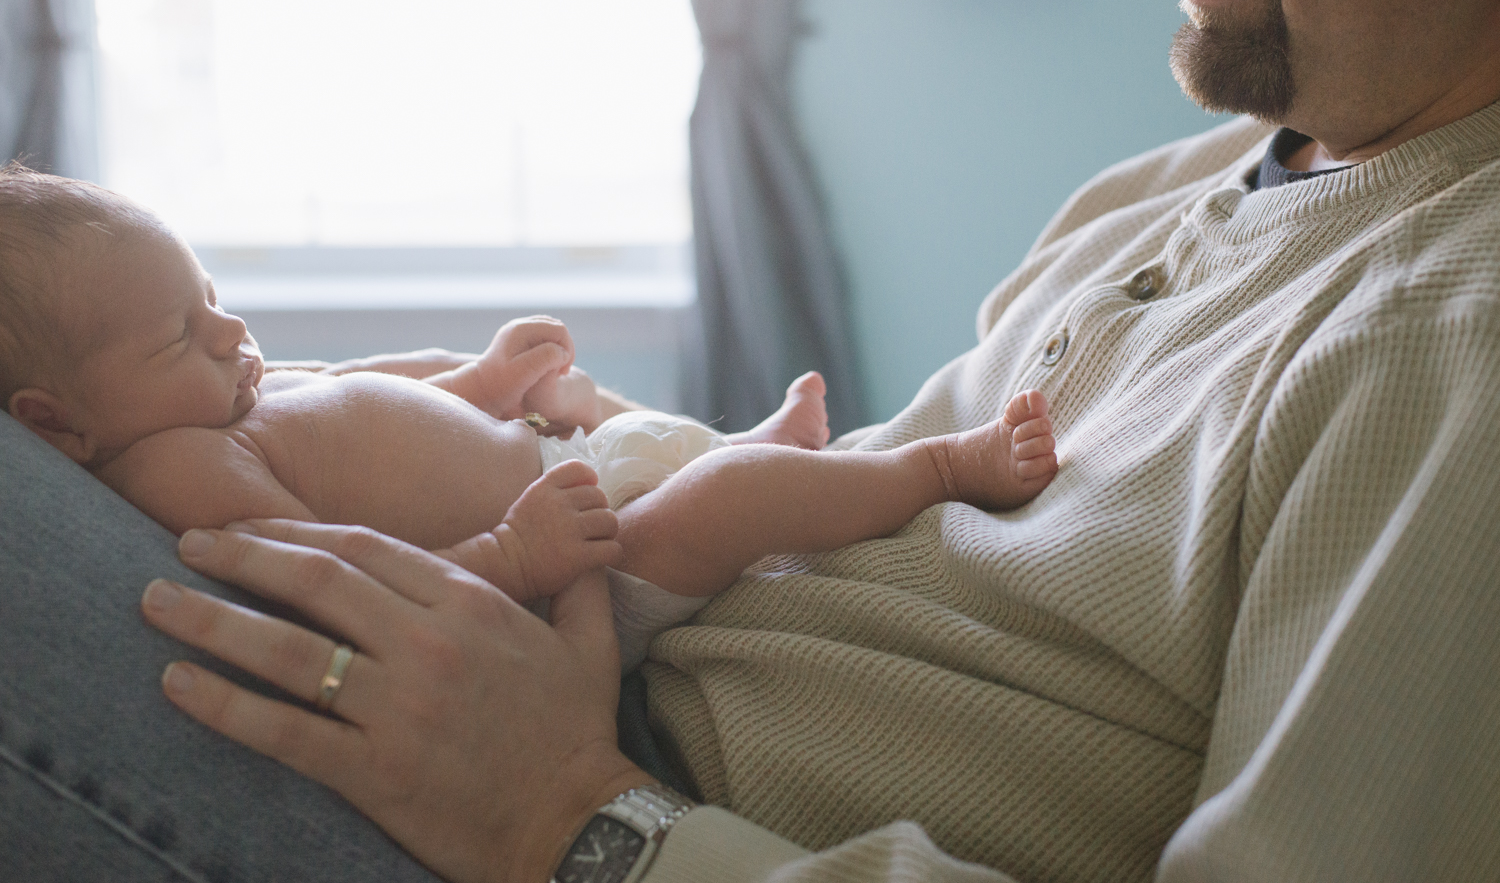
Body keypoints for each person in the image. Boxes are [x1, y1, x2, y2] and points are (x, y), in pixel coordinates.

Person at [3, 0, 1499, 880]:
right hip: (590, 696)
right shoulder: (1162, 192)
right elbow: (885, 558)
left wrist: (573, 816)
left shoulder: (1460, 333)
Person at [0, 170, 1058, 669]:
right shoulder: (179, 471)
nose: (231, 335)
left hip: (573, 466)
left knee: (662, 437)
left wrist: (480, 377)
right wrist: (514, 553)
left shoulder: (229, 396)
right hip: (579, 570)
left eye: (214, 297)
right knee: (725, 504)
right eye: (179, 335)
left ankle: (744, 443)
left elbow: (373, 395)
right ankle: (942, 467)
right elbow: (346, 590)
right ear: (56, 424)